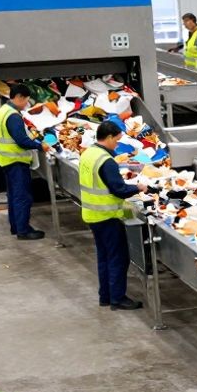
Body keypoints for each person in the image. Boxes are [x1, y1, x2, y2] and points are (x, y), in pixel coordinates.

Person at [78, 121, 148, 310]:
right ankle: (118, 298)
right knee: (118, 257)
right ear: (108, 137)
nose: (117, 145)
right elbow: (118, 189)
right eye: (116, 141)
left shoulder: (88, 154)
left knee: (104, 257)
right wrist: (138, 187)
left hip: (92, 214)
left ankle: (106, 296)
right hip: (108, 216)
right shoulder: (105, 161)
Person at [0, 84, 52, 239]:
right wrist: (41, 146)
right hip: (15, 161)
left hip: (6, 160)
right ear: (18, 97)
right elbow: (21, 141)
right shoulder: (13, 116)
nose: (27, 103)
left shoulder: (3, 111)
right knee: (22, 196)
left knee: (13, 196)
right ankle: (23, 231)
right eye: (26, 100)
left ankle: (16, 227)